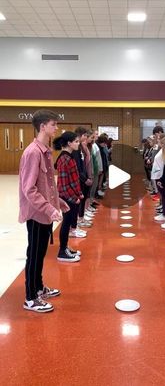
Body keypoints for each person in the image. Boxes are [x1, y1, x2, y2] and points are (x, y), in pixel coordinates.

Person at [19, 109, 70, 313]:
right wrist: (49, 208)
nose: (56, 128)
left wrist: (59, 203)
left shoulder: (45, 150)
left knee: (40, 253)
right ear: (43, 127)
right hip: (37, 213)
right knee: (34, 254)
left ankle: (38, 287)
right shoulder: (32, 152)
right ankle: (30, 297)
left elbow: (48, 185)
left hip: (45, 212)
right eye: (53, 124)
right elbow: (29, 188)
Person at [54, 131, 84, 262]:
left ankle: (65, 247)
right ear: (69, 143)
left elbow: (74, 179)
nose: (78, 144)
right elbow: (64, 184)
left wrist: (79, 193)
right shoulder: (64, 159)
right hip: (67, 197)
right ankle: (62, 251)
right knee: (66, 223)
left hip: (72, 196)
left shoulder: (69, 157)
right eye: (76, 142)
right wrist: (73, 198)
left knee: (68, 222)